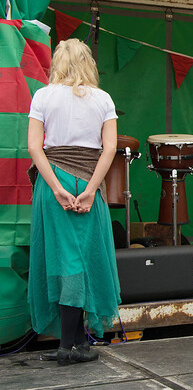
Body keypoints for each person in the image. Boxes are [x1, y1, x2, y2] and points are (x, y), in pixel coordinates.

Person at [27, 39, 121, 366]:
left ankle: (71, 342)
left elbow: (35, 148)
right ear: (87, 63)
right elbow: (109, 149)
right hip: (87, 181)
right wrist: (93, 189)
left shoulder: (43, 95)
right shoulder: (103, 99)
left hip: (54, 181)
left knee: (64, 260)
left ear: (57, 62)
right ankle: (73, 343)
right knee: (83, 260)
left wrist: (54, 188)